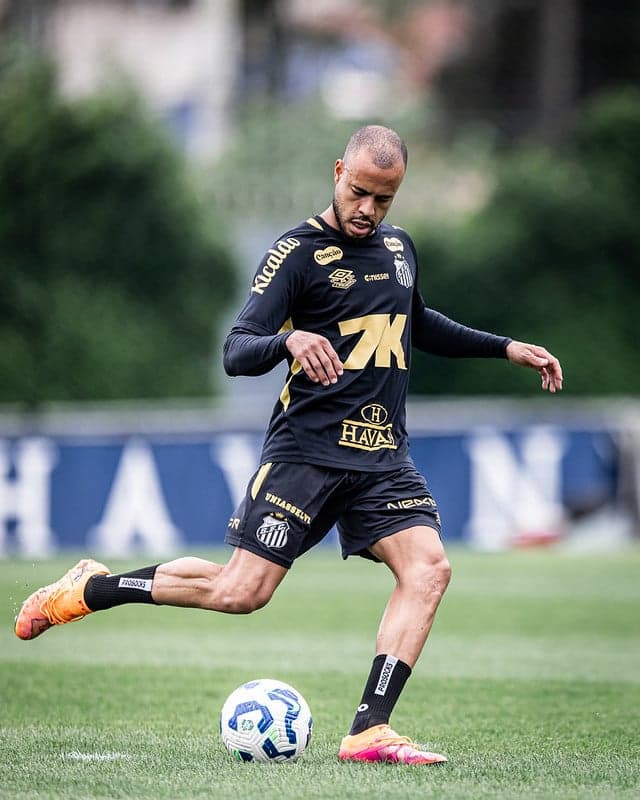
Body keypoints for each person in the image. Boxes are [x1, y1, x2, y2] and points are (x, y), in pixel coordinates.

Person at [14, 125, 563, 765]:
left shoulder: (399, 248)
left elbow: (414, 320)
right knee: (241, 592)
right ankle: (92, 589)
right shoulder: (296, 254)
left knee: (430, 568)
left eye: (384, 200)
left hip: (382, 457)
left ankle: (368, 730)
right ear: (337, 171)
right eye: (359, 192)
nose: (368, 210)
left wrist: (504, 347)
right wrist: (289, 341)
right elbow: (236, 350)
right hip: (306, 453)